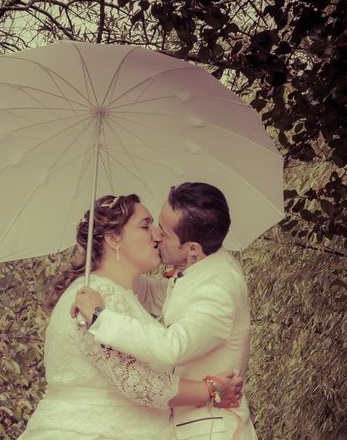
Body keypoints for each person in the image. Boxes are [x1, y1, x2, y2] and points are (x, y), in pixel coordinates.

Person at [18, 194, 243, 440]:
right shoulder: (98, 298)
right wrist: (208, 390)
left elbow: (160, 294)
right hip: (93, 431)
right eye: (146, 226)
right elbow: (137, 381)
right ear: (114, 238)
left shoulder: (113, 292)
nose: (157, 235)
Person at [72, 183, 258, 440]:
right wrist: (114, 259)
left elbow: (172, 347)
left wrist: (99, 318)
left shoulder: (217, 291)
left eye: (165, 232)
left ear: (192, 248)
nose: (156, 235)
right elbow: (152, 295)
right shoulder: (200, 268)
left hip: (210, 429)